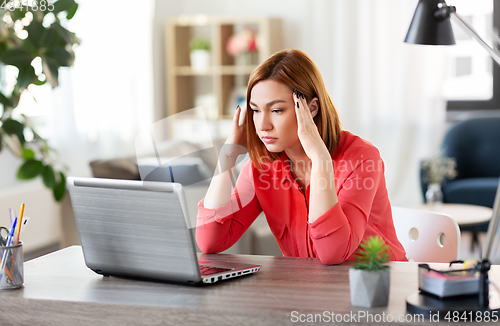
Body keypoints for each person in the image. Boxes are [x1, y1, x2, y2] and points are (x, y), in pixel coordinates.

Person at [196, 49, 407, 265]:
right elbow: (209, 241)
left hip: (378, 286)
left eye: (276, 110)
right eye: (255, 110)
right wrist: (228, 155)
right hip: (309, 289)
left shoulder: (361, 158)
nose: (262, 125)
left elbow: (331, 252)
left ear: (311, 108)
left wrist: (320, 160)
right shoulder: (261, 168)